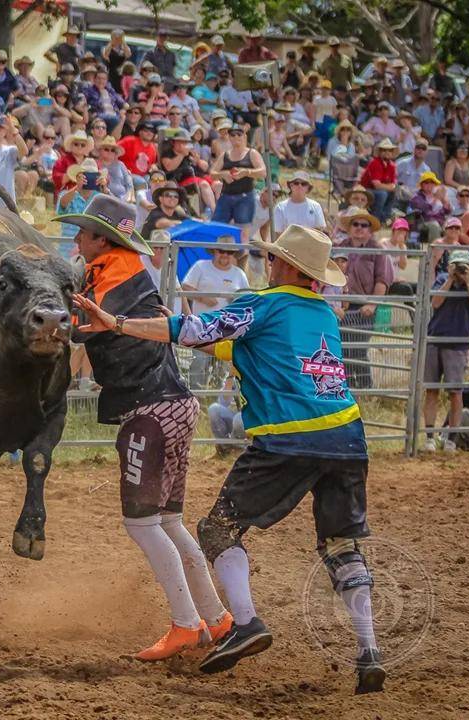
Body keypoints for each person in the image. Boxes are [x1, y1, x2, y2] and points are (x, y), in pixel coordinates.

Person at [74, 224, 385, 693]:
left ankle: (245, 623)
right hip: (348, 437)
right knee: (341, 545)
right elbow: (232, 343)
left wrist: (119, 323)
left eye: (274, 256)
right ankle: (369, 650)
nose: (267, 261)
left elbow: (196, 329)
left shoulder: (261, 304)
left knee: (218, 528)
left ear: (285, 266)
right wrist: (169, 329)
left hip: (287, 438)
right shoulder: (321, 313)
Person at [55, 194, 233, 660]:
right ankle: (216, 617)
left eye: (83, 233)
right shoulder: (127, 270)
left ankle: (186, 623)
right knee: (169, 521)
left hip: (149, 410)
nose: (77, 240)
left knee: (142, 525)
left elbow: (79, 326)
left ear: (103, 238)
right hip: (175, 405)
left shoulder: (113, 273)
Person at [424, 248, 469, 452]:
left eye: (463, 265)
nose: (460, 269)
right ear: (449, 266)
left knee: (455, 393)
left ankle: (452, 438)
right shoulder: (442, 278)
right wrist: (450, 279)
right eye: (456, 265)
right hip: (435, 339)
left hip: (458, 344)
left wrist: (468, 282)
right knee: (431, 390)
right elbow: (435, 302)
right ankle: (430, 438)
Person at [337, 209, 393, 389]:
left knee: (358, 349)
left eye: (364, 225)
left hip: (364, 307)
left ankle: (364, 387)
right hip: (341, 307)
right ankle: (348, 389)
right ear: (349, 228)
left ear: (370, 230)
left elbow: (382, 281)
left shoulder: (377, 250)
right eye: (356, 224)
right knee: (342, 348)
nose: (359, 228)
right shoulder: (338, 247)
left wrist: (372, 304)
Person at [181, 244, 250, 389]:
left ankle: (216, 400)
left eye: (229, 252)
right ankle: (197, 399)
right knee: (198, 367)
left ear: (234, 255)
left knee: (223, 371)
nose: (225, 255)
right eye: (221, 251)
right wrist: (203, 298)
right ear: (214, 252)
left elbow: (247, 299)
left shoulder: (239, 274)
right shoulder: (201, 266)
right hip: (203, 326)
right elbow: (185, 287)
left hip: (228, 330)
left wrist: (235, 301)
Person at [210, 124, 265, 243]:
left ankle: (242, 260)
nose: (236, 137)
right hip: (226, 195)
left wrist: (246, 172)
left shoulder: (252, 153)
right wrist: (223, 174)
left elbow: (263, 172)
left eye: (239, 134)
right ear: (229, 137)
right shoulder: (225, 155)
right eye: (232, 135)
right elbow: (212, 172)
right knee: (215, 228)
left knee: (243, 233)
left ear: (244, 136)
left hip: (244, 196)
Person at [274, 170, 326, 235]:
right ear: (291, 185)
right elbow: (278, 232)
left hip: (309, 244)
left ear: (308, 188)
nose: (300, 186)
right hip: (287, 244)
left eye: (304, 184)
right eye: (296, 183)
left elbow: (319, 230)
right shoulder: (280, 207)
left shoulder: (316, 206)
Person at [359, 138, 398, 221]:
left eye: (390, 150)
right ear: (380, 152)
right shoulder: (375, 163)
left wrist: (392, 187)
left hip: (379, 189)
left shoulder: (391, 166)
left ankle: (385, 217)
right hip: (366, 189)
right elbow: (376, 185)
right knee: (382, 194)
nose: (387, 152)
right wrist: (391, 187)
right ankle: (375, 218)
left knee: (393, 193)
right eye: (384, 150)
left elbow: (393, 184)